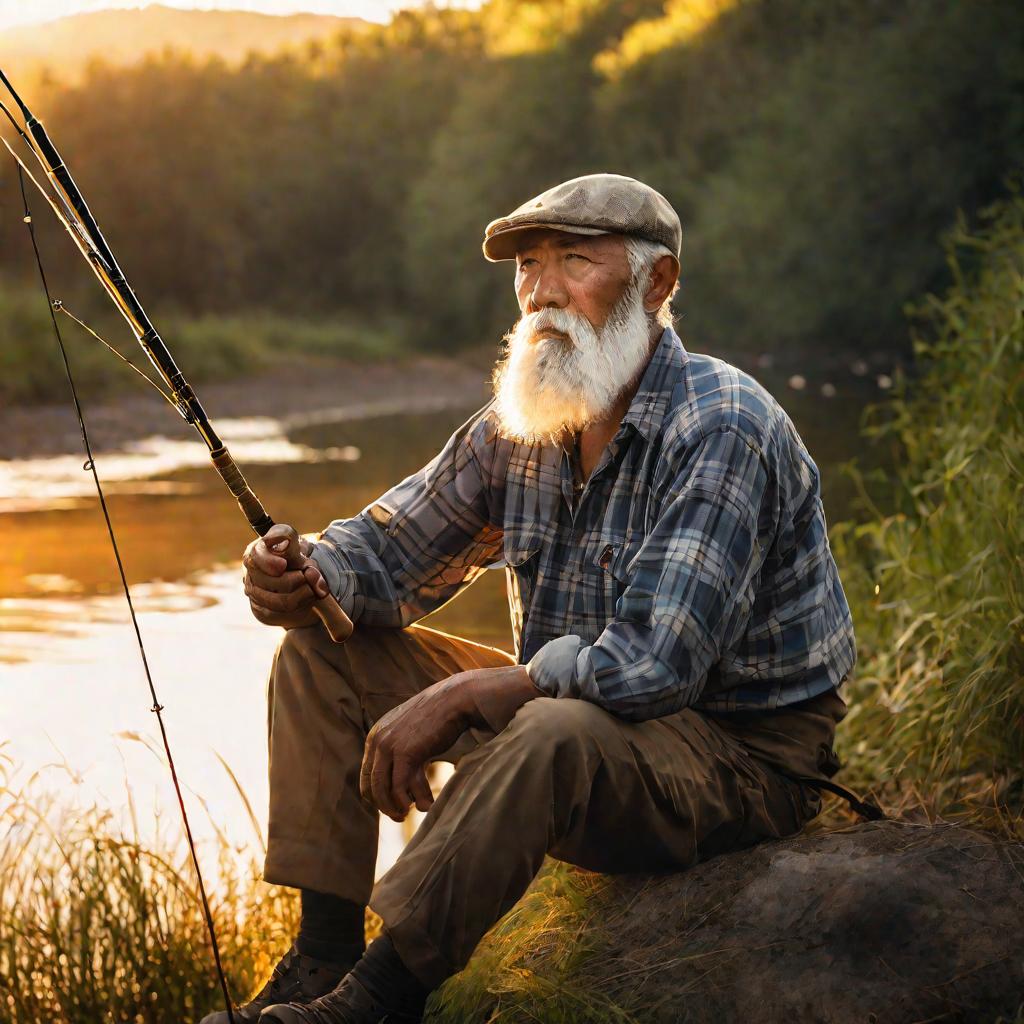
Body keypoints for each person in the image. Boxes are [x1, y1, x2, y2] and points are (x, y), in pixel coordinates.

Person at [203, 173, 856, 1024]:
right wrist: (304, 573)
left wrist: (476, 691)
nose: (541, 291)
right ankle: (321, 962)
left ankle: (376, 1001)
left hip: (742, 755)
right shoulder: (531, 416)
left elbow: (655, 667)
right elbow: (389, 553)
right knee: (320, 653)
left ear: (657, 285)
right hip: (587, 726)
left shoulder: (722, 424)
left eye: (574, 261)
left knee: (551, 722)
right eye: (528, 265)